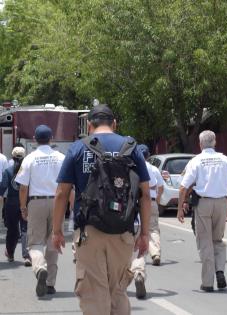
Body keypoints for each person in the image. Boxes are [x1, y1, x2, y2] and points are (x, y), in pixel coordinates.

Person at [52, 105, 151, 315]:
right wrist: (144, 233)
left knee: (94, 294)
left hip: (90, 232)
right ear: (114, 124)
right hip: (123, 231)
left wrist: (57, 231)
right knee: (118, 292)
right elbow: (145, 194)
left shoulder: (78, 148)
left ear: (89, 125)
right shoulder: (131, 147)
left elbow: (61, 193)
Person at [178, 130, 227, 292]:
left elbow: (183, 187)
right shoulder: (225, 159)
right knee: (217, 240)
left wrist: (179, 209)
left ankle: (207, 282)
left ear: (200, 144)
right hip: (221, 203)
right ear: (215, 142)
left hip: (203, 204)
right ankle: (220, 271)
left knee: (205, 242)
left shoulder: (196, 161)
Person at [15, 125, 65, 297]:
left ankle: (40, 268)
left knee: (35, 242)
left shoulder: (30, 158)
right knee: (53, 243)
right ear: (51, 139)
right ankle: (50, 283)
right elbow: (68, 185)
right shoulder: (61, 157)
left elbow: (23, 187)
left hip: (36, 202)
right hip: (57, 202)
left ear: (35, 140)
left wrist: (23, 207)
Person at [130, 144, 163, 299]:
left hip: (124, 212)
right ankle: (140, 271)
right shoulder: (152, 169)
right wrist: (158, 198)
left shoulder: (127, 167)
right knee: (152, 230)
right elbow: (159, 187)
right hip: (149, 204)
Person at [0, 146, 31, 265]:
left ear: (12, 157)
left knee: (12, 230)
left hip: (11, 203)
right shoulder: (27, 170)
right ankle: (26, 255)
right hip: (25, 202)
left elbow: (2, 188)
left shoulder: (8, 171)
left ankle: (10, 253)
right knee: (25, 229)